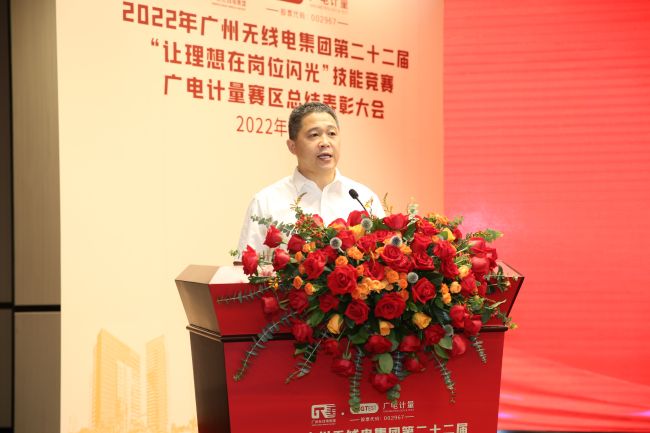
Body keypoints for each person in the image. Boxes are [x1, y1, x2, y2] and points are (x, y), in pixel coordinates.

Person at [237, 102, 385, 254]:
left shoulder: (364, 199)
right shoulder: (266, 202)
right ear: (292, 146)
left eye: (332, 133)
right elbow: (244, 265)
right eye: (314, 135)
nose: (325, 143)